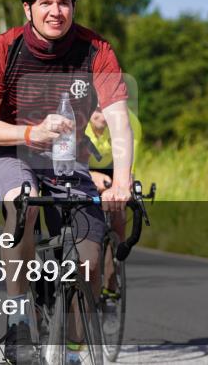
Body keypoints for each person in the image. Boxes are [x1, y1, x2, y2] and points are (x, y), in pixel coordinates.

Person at [0, 0, 135, 365]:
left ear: (73, 6)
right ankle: (19, 323)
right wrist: (30, 133)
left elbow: (118, 120)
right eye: (45, 3)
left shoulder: (96, 50)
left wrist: (121, 183)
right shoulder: (3, 50)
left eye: (63, 2)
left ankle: (76, 352)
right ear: (27, 8)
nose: (56, 11)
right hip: (11, 149)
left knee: (89, 264)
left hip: (67, 159)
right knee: (20, 202)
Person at [85, 105, 141, 328]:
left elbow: (128, 170)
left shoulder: (130, 122)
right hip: (83, 170)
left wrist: (121, 189)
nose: (101, 115)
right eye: (95, 108)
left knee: (117, 214)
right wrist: (91, 178)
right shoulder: (76, 119)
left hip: (115, 170)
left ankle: (110, 288)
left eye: (106, 109)